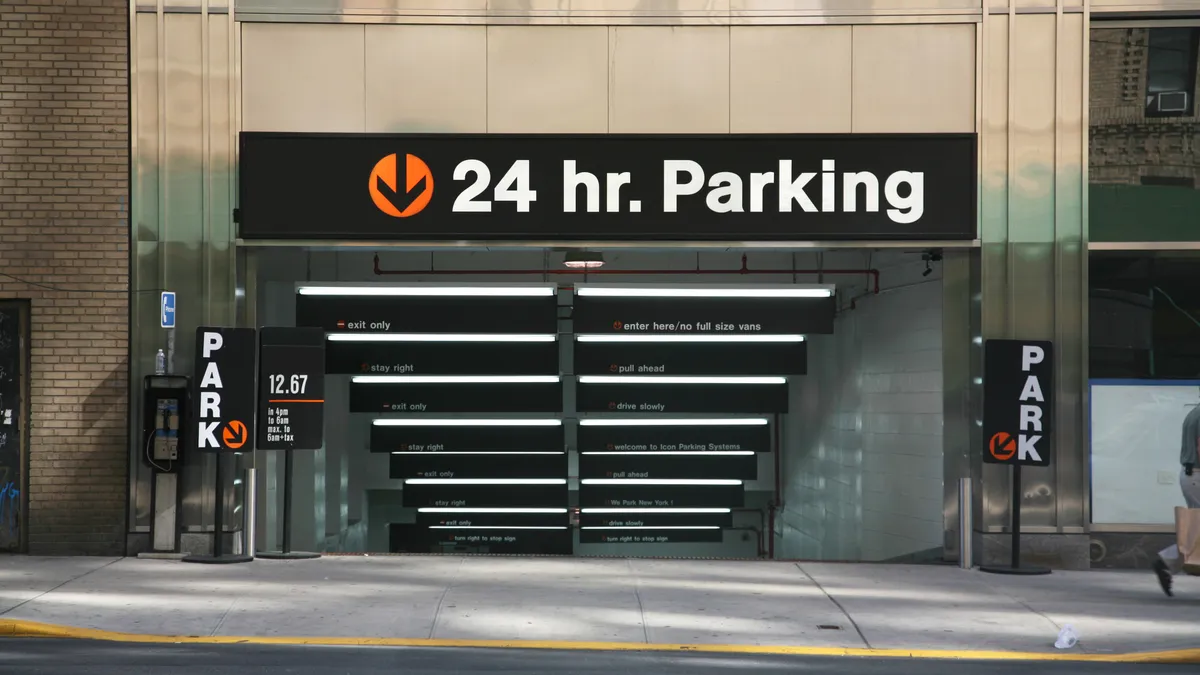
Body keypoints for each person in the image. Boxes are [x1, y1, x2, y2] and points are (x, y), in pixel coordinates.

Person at [1153, 400, 1200, 597]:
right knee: (1197, 532)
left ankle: (1166, 562)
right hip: (1198, 474)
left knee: (1196, 531)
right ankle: (1166, 561)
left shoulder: (1194, 412)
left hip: (1192, 474)